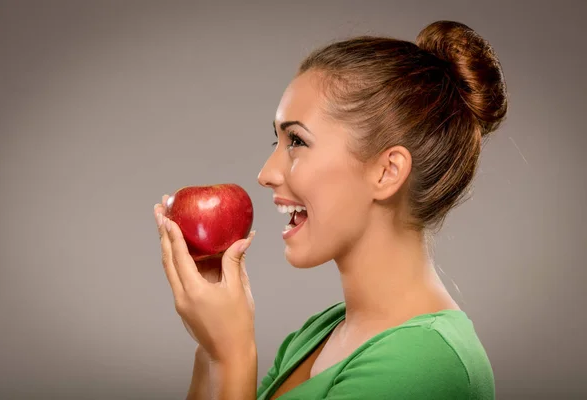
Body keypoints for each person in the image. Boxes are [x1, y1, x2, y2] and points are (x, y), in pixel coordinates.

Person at [154, 19, 508, 400]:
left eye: (297, 141)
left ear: (387, 172)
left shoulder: (427, 363)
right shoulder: (320, 333)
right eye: (278, 139)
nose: (265, 174)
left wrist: (233, 356)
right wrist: (211, 349)